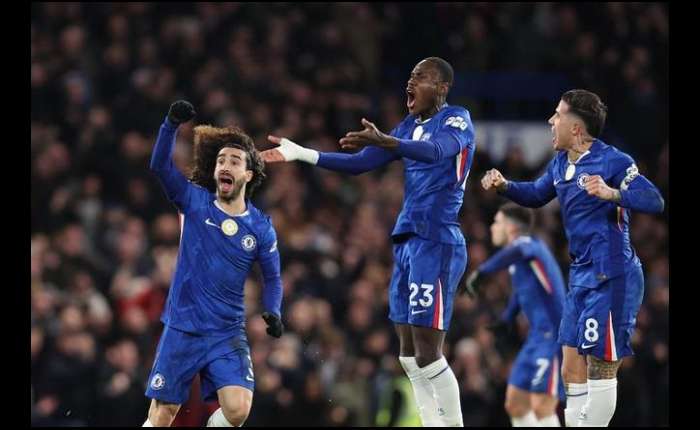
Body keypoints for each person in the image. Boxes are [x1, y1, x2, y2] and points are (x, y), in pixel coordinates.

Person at [262, 57, 475, 427]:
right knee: (408, 355)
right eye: (410, 75)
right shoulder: (409, 126)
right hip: (407, 240)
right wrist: (302, 153)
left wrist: (389, 141)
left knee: (429, 352)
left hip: (437, 239)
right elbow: (360, 163)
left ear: (442, 87)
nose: (410, 81)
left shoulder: (456, 119)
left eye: (421, 77)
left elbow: (437, 151)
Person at [481, 89, 664, 426]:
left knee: (600, 367)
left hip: (613, 276)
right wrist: (505, 185)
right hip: (580, 277)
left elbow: (654, 200)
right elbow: (537, 195)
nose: (551, 121)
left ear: (576, 128)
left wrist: (613, 193)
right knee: (569, 370)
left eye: (557, 115)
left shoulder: (613, 161)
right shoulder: (560, 164)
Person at [143, 100, 285, 427]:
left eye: (234, 161)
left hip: (226, 331)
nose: (225, 165)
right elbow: (160, 166)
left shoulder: (261, 227)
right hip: (183, 327)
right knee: (163, 414)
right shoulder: (194, 201)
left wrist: (274, 310)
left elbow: (273, 278)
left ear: (248, 174)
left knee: (238, 410)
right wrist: (170, 125)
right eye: (221, 160)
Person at [462, 203, 565, 427]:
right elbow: (522, 292)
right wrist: (507, 318)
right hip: (536, 338)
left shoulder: (531, 245)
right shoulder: (519, 264)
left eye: (497, 222)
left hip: (554, 337)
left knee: (542, 405)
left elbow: (520, 249)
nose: (492, 227)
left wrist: (482, 271)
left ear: (511, 227)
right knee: (515, 404)